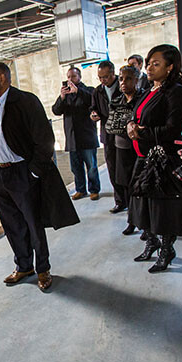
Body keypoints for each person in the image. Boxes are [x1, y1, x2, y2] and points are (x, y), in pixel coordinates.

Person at [0, 62, 79, 292]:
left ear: (2, 78)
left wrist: (33, 171)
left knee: (32, 224)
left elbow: (45, 140)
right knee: (12, 224)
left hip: (21, 172)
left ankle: (42, 268)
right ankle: (23, 265)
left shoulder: (25, 101)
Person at [126, 44, 182, 273]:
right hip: (143, 157)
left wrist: (142, 132)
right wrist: (131, 125)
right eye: (149, 62)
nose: (150, 67)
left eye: (157, 64)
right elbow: (137, 115)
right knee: (140, 205)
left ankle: (166, 249)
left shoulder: (176, 92)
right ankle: (152, 242)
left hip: (162, 159)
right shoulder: (149, 90)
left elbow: (173, 129)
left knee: (161, 209)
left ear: (170, 66)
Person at [52, 67, 99, 200]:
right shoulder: (66, 95)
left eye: (73, 76)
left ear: (79, 77)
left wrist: (78, 91)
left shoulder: (88, 90)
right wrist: (62, 97)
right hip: (72, 138)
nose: (70, 80)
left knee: (91, 166)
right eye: (68, 77)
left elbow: (92, 101)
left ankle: (94, 189)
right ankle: (80, 189)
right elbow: (56, 110)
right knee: (76, 167)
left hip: (87, 136)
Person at [110, 65, 142, 236]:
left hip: (139, 150)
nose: (123, 82)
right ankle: (132, 221)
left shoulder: (143, 99)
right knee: (128, 187)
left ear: (136, 80)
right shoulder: (117, 101)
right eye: (121, 79)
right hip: (121, 148)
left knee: (141, 187)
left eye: (128, 78)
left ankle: (145, 225)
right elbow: (111, 126)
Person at [90, 60, 125, 213]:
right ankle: (120, 201)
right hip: (107, 134)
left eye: (105, 77)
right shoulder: (98, 91)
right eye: (100, 77)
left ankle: (132, 202)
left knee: (125, 169)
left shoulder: (123, 86)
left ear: (113, 73)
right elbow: (93, 108)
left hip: (124, 136)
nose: (103, 80)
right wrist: (93, 114)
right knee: (112, 169)